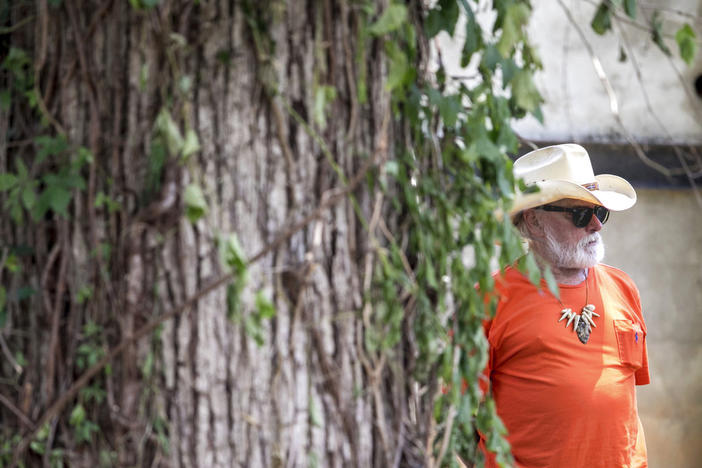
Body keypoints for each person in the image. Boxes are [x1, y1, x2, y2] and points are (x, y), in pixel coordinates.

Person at [479, 144, 650, 467]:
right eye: (580, 214)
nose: (596, 226)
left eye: (600, 212)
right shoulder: (488, 299)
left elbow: (626, 406)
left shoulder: (623, 288)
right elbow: (453, 414)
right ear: (534, 222)